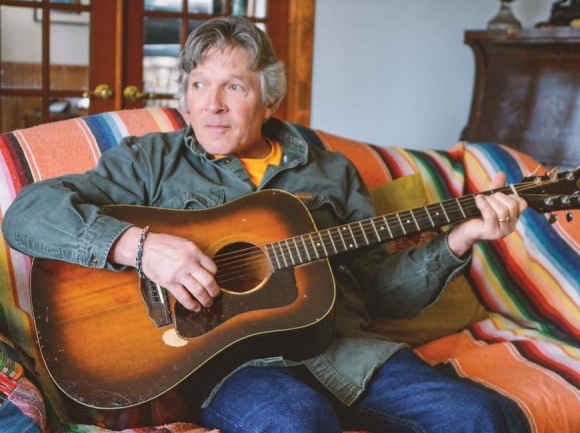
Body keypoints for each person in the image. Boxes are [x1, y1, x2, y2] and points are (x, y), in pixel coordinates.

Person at [2, 16, 528, 433]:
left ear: (269, 98)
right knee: (296, 423)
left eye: (233, 86)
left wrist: (461, 238)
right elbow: (27, 213)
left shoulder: (330, 170)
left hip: (347, 350)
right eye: (198, 84)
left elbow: (379, 296)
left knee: (481, 418)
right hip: (233, 366)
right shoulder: (152, 160)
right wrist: (140, 247)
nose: (210, 104)